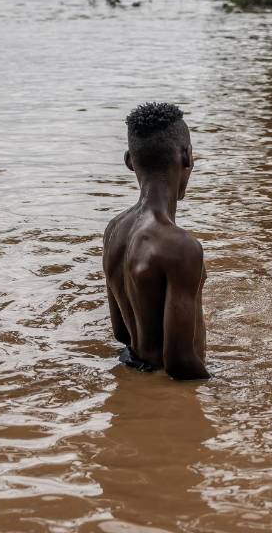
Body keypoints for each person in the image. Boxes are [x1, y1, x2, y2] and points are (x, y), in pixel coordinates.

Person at [102, 102, 209, 380]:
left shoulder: (114, 230)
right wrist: (225, 393)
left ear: (129, 161)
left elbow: (121, 332)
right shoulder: (180, 247)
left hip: (134, 369)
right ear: (187, 156)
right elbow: (180, 362)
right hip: (173, 391)